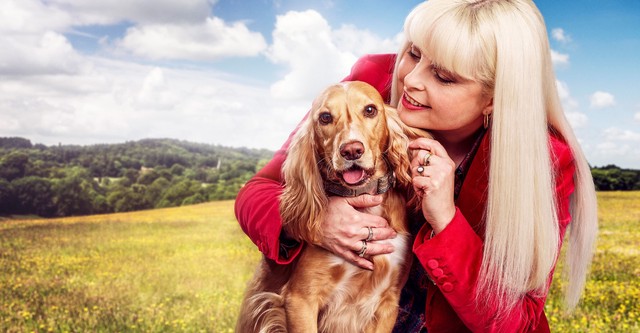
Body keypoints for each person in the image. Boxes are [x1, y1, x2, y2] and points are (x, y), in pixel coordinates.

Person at [235, 0, 598, 332]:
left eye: (443, 76)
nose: (410, 80)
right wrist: (318, 221)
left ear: (495, 99)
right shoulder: (371, 87)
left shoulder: (543, 162)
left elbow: (520, 323)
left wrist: (446, 219)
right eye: (413, 53)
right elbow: (256, 193)